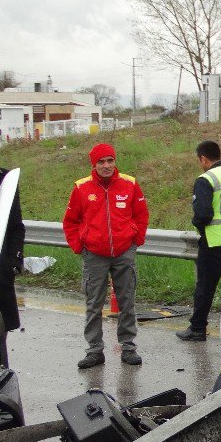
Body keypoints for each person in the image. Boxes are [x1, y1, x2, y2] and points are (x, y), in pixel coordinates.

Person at [62, 143, 148, 369]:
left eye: (110, 160)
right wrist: (79, 246)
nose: (106, 165)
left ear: (115, 161)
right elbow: (70, 222)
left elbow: (141, 215)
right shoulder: (81, 188)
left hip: (123, 252)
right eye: (101, 162)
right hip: (94, 254)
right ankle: (94, 350)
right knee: (94, 304)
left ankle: (128, 347)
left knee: (126, 301)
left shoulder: (130, 184)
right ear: (94, 164)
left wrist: (135, 241)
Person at [176, 141, 221, 342]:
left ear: (203, 159)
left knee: (205, 288)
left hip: (215, 242)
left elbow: (203, 214)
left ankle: (197, 329)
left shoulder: (206, 179)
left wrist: (199, 226)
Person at [0, 167, 24, 336]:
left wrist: (13, 263)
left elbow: (16, 227)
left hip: (0, 271)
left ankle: (2, 363)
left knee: (1, 330)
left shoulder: (6, 179)